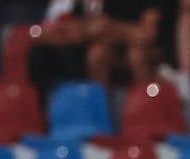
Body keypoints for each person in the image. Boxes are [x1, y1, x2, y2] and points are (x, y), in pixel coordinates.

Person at [29, 0, 166, 105]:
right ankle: (99, 114)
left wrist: (109, 28)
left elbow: (146, 35)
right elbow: (92, 28)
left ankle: (147, 112)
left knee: (136, 55)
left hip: (152, 50)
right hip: (112, 45)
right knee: (98, 54)